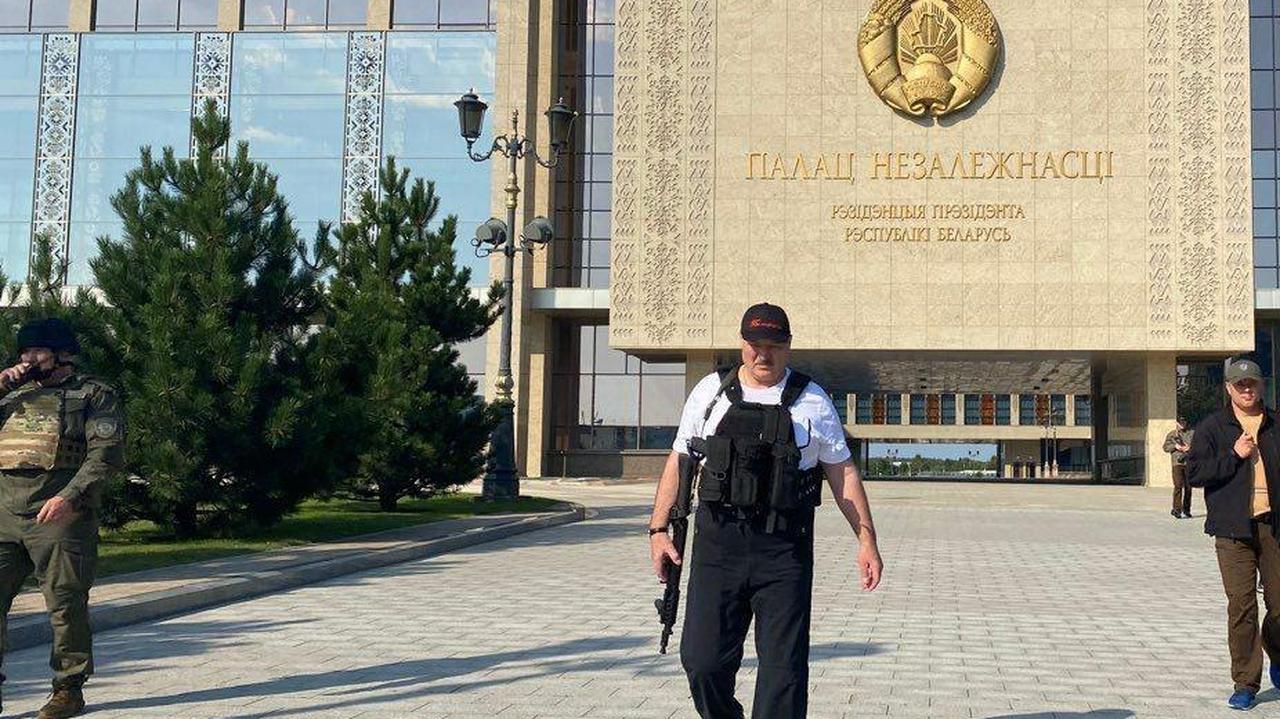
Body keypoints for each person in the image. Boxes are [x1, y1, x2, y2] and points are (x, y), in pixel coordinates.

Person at [647, 302, 883, 718]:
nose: (763, 354)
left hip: (783, 550)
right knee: (702, 663)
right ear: (742, 344)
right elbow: (680, 461)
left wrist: (866, 539)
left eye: (774, 345)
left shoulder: (812, 400)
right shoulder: (710, 392)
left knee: (782, 674)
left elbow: (841, 471)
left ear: (788, 346)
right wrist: (658, 530)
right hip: (718, 547)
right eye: (755, 344)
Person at [0, 318, 123, 719]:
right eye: (24, 351)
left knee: (65, 603)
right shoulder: (11, 396)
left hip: (59, 514)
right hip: (4, 512)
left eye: (37, 351)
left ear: (63, 354)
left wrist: (69, 497)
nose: (28, 359)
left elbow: (105, 455)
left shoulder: (93, 394)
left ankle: (68, 688)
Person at [1187, 357, 1280, 711]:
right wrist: (1234, 455)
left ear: (1261, 385)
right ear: (1228, 388)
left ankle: (1278, 656)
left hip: (1273, 526)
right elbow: (1195, 473)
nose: (1247, 389)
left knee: (1279, 606)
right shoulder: (1213, 427)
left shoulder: (1275, 423)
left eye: (1252, 383)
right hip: (1232, 531)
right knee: (1242, 607)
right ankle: (1245, 682)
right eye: (1240, 385)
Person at [1164, 417, 1194, 518]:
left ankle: (1186, 509)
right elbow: (1165, 448)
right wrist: (1175, 447)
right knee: (1178, 485)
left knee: (1188, 487)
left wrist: (1189, 448)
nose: (1182, 424)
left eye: (1184, 422)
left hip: (1189, 462)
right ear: (1177, 423)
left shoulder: (1191, 434)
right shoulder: (1172, 434)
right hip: (1177, 463)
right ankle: (1177, 509)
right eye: (1180, 423)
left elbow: (1199, 445)